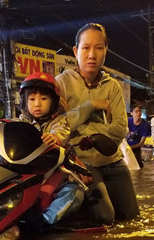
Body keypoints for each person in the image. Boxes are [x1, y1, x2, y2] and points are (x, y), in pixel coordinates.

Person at [55, 22, 139, 225]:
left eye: (98, 48)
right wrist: (91, 105)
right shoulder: (61, 83)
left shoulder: (113, 86)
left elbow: (119, 129)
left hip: (114, 162)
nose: (92, 55)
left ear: (105, 51)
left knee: (132, 218)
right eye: (86, 48)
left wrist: (84, 131)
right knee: (105, 217)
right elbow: (60, 126)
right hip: (81, 164)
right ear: (76, 51)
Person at [15, 72, 85, 226]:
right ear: (24, 102)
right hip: (27, 174)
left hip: (55, 173)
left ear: (53, 101)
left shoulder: (60, 121)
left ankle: (45, 221)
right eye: (32, 99)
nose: (37, 104)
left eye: (43, 98)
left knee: (76, 192)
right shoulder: (21, 122)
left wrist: (54, 138)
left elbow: (61, 133)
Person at [126, 103, 150, 168]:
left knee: (138, 166)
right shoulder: (127, 121)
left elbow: (141, 143)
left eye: (140, 111)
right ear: (131, 113)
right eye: (136, 111)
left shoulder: (145, 125)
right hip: (125, 146)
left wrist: (130, 148)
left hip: (136, 147)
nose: (138, 113)